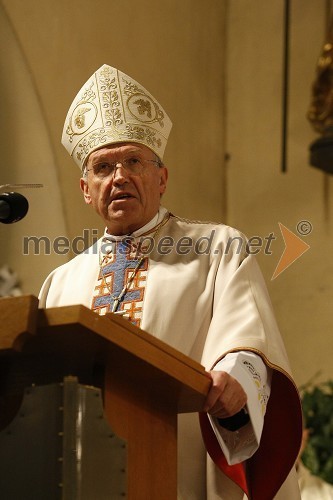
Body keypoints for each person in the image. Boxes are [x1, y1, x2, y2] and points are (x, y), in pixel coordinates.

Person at [39, 64, 302, 499]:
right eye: (103, 167)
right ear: (86, 190)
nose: (119, 176)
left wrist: (234, 381)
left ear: (161, 178)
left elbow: (245, 337)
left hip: (180, 462)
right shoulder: (60, 282)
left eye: (133, 161)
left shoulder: (217, 247)